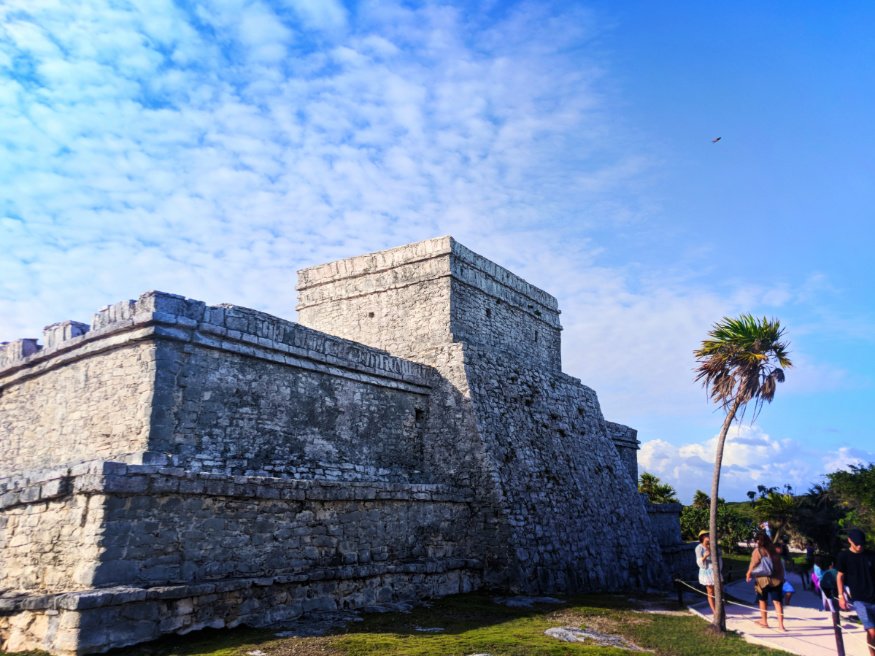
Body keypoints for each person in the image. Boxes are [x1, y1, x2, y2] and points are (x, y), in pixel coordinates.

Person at [837, 528, 875, 656]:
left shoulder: (871, 555)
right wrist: (841, 596)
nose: (859, 546)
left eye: (862, 544)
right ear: (849, 541)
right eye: (856, 543)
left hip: (874, 596)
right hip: (860, 599)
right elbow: (840, 577)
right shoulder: (844, 556)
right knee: (872, 631)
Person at [746, 531, 786, 631]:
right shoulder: (775, 550)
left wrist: (748, 574)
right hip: (776, 579)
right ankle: (781, 626)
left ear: (758, 541)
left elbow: (753, 564)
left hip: (762, 580)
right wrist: (781, 578)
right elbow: (780, 566)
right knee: (777, 602)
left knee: (763, 600)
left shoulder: (758, 551)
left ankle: (764, 621)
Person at [696, 529, 721, 615]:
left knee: (719, 590)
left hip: (715, 570)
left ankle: (719, 609)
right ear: (703, 537)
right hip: (707, 571)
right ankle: (714, 611)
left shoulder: (713, 546)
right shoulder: (699, 548)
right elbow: (699, 562)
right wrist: (705, 557)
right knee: (710, 592)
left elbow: (719, 558)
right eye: (707, 535)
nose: (709, 536)